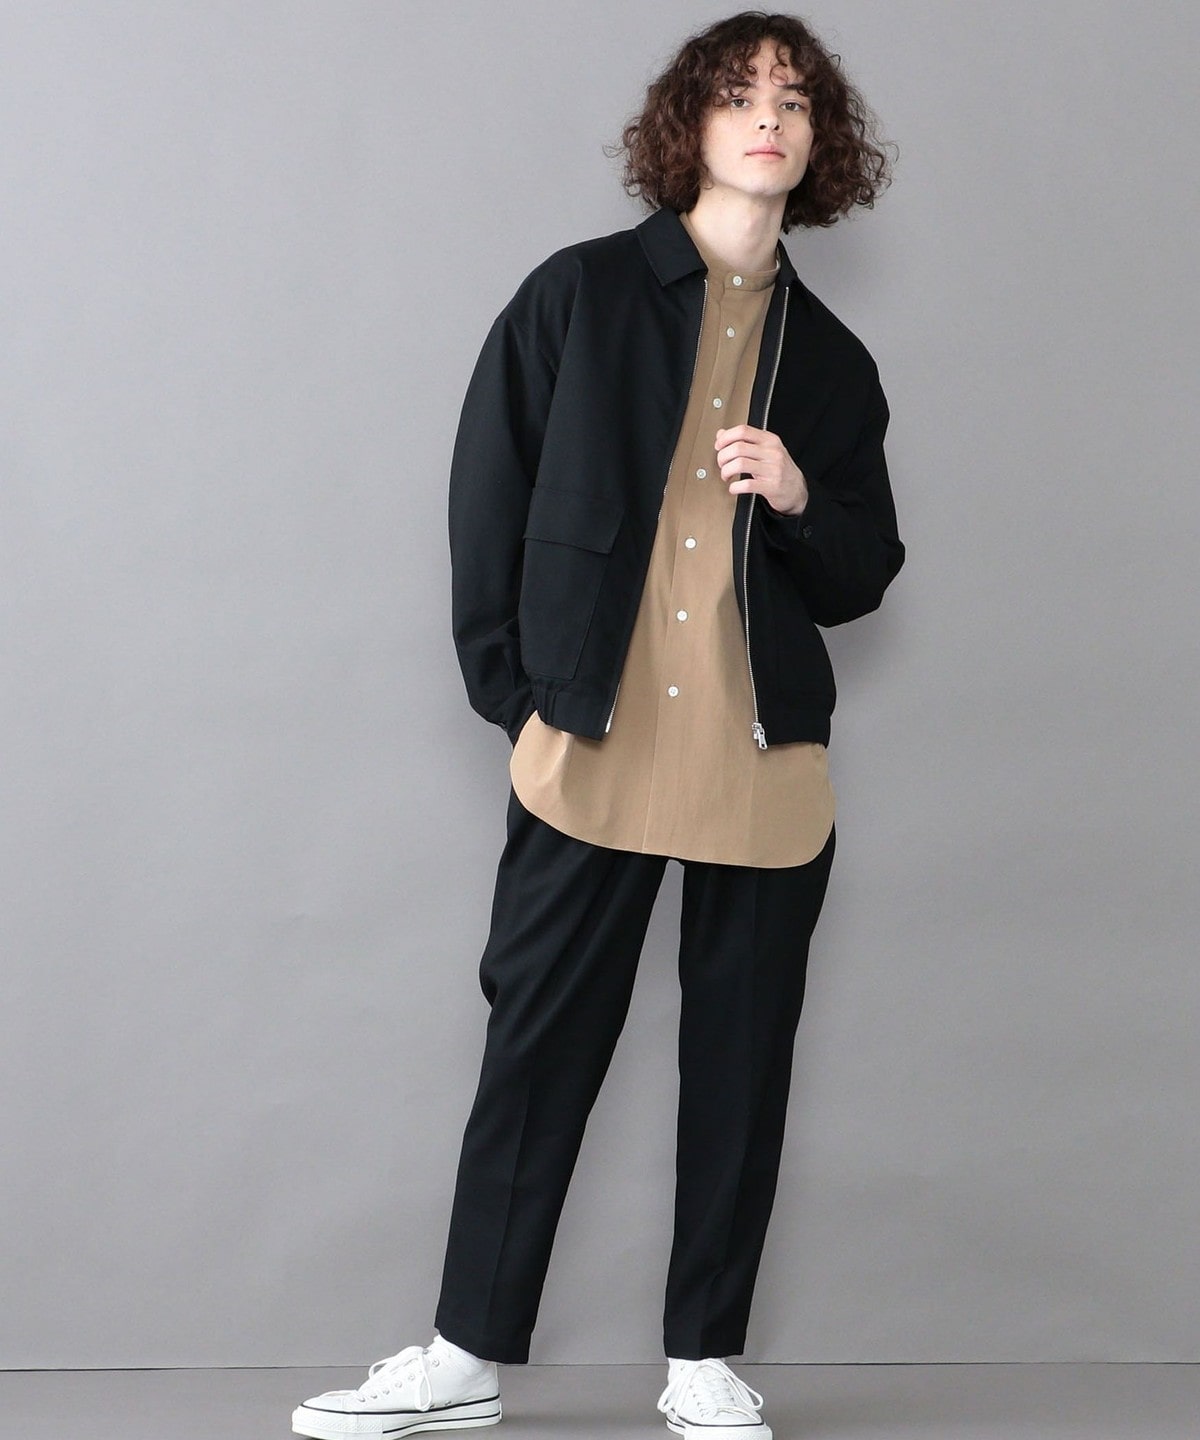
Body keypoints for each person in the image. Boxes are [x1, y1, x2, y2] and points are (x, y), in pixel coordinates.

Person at [293, 10, 903, 1439]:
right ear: (691, 125)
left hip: (762, 760)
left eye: (795, 100)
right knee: (540, 1045)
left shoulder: (832, 362)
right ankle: (462, 1357)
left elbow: (864, 573)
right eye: (740, 95)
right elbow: (486, 502)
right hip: (595, 736)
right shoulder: (578, 297)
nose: (769, 118)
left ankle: (704, 1360)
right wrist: (521, 702)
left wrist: (800, 498)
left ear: (821, 142)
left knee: (742, 1066)